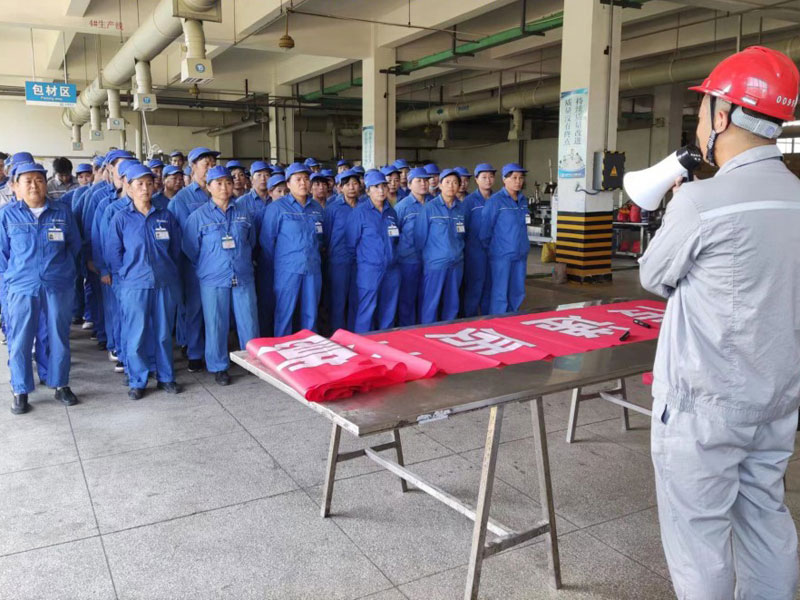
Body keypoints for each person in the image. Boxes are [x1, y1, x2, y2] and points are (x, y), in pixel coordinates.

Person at [639, 46, 800, 600]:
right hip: (776, 398)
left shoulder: (702, 201)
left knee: (699, 537)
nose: (700, 119)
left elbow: (653, 275)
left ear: (723, 115)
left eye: (703, 107)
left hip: (703, 405)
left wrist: (680, 207)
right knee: (765, 520)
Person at [0, 163, 81, 414]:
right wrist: (9, 285)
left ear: (46, 183)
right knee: (21, 340)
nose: (34, 185)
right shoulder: (7, 215)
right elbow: (2, 256)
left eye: (39, 180)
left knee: (58, 336)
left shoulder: (62, 212)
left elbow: (74, 247)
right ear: (15, 186)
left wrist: (65, 274)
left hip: (57, 286)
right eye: (28, 181)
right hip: (22, 287)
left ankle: (60, 384)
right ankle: (20, 390)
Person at [105, 164, 182, 400]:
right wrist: (127, 275)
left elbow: (175, 249)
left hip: (163, 283)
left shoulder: (165, 216)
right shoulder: (121, 218)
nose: (145, 188)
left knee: (163, 333)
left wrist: (166, 270)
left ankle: (166, 377)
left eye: (149, 183)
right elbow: (113, 253)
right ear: (129, 188)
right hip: (134, 285)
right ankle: (138, 380)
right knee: (136, 334)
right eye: (139, 184)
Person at [183, 166, 258, 386]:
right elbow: (190, 248)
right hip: (213, 277)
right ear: (208, 187)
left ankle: (252, 362)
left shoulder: (243, 213)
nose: (224, 187)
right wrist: (210, 265)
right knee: (216, 323)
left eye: (228, 182)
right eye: (218, 183)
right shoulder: (198, 217)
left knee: (248, 320)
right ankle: (219, 366)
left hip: (242, 274)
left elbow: (251, 241)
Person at [168, 146, 219, 372]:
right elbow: (178, 236)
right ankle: (195, 353)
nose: (211, 168)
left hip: (219, 263)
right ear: (193, 167)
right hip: (193, 264)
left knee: (216, 310)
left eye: (213, 164)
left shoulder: (219, 192)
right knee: (195, 309)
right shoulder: (182, 199)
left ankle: (214, 351)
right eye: (206, 164)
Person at [260, 162, 324, 337]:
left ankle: (310, 348)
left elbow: (320, 238)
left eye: (306, 179)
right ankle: (282, 348)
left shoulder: (316, 208)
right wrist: (280, 264)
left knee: (311, 314)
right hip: (287, 270)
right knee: (284, 314)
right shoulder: (277, 208)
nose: (303, 183)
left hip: (312, 269)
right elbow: (267, 242)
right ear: (288, 184)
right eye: (298, 179)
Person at [347, 170, 400, 332]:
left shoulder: (391, 212)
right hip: (369, 269)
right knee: (366, 310)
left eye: (384, 186)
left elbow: (395, 239)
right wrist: (366, 261)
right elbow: (351, 243)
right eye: (376, 187)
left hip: (391, 269)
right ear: (368, 190)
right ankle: (363, 342)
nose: (381, 190)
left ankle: (385, 341)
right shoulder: (360, 212)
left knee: (388, 310)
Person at [414, 168, 465, 324]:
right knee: (431, 302)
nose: (451, 186)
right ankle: (427, 331)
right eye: (447, 182)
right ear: (440, 185)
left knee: (452, 302)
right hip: (435, 264)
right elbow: (419, 238)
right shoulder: (430, 208)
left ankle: (448, 331)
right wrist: (430, 258)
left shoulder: (460, 209)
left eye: (455, 183)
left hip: (456, 264)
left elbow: (462, 235)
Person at [479, 163, 529, 315]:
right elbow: (485, 231)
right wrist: (495, 249)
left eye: (521, 178)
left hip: (520, 254)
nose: (518, 181)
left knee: (517, 290)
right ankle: (498, 320)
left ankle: (512, 317)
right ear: (504, 179)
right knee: (500, 292)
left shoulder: (523, 201)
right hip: (501, 255)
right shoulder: (496, 201)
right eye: (514, 178)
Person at [235, 161, 274, 336]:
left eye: (267, 175)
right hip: (251, 258)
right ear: (251, 179)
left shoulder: (277, 200)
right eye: (259, 175)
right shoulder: (242, 203)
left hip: (274, 257)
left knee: (273, 298)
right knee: (254, 302)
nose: (264, 179)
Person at [323, 169, 360, 332]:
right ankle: (337, 334)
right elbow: (326, 234)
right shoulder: (333, 208)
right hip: (339, 260)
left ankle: (355, 334)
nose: (351, 187)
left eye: (355, 183)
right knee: (338, 301)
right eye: (347, 184)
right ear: (340, 188)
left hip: (360, 260)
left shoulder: (364, 207)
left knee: (356, 299)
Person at [394, 167, 431, 325]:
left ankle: (424, 329)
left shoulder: (433, 204)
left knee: (426, 298)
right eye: (419, 180)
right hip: (408, 260)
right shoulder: (402, 207)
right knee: (407, 299)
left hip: (429, 260)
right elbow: (394, 234)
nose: (423, 183)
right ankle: (407, 329)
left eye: (426, 180)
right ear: (409, 184)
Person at [462, 163, 495, 317]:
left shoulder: (498, 199)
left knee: (490, 286)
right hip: (474, 252)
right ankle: (470, 319)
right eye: (484, 177)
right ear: (476, 179)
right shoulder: (469, 202)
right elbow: (463, 228)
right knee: (474, 287)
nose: (488, 180)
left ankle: (487, 319)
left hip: (493, 251)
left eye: (491, 176)